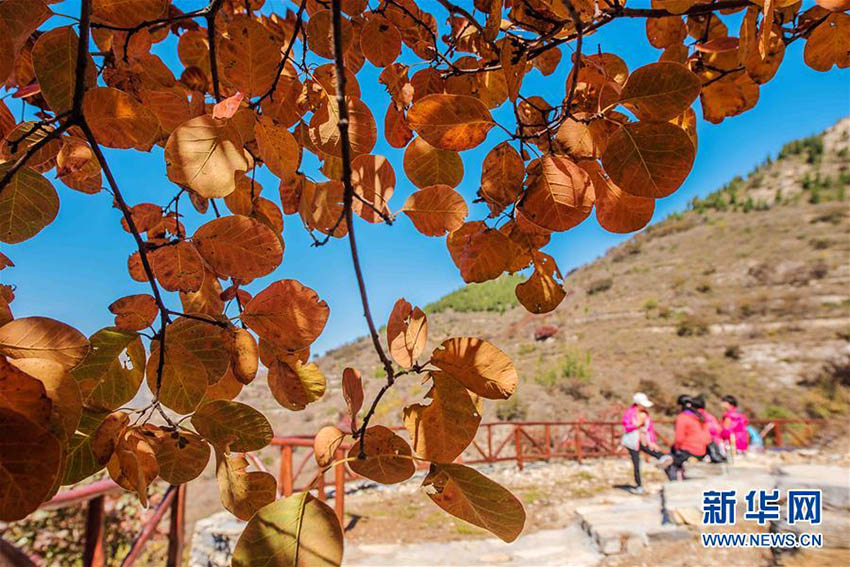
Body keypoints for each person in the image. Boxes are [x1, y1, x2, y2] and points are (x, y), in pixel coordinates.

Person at [621, 393, 671, 494]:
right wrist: (637, 425)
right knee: (636, 463)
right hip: (632, 442)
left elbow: (650, 429)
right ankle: (639, 486)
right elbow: (627, 427)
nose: (645, 407)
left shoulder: (646, 414)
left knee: (653, 451)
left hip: (644, 440)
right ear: (638, 404)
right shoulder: (630, 413)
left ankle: (664, 459)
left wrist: (652, 441)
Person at [665, 395, 710, 480]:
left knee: (668, 462)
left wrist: (676, 449)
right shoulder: (699, 417)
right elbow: (707, 437)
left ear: (680, 405)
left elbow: (679, 439)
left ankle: (674, 483)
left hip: (688, 451)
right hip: (702, 451)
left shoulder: (682, 417)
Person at [692, 395, 725, 463]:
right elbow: (718, 430)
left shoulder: (693, 416)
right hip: (716, 445)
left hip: (703, 447)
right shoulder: (710, 416)